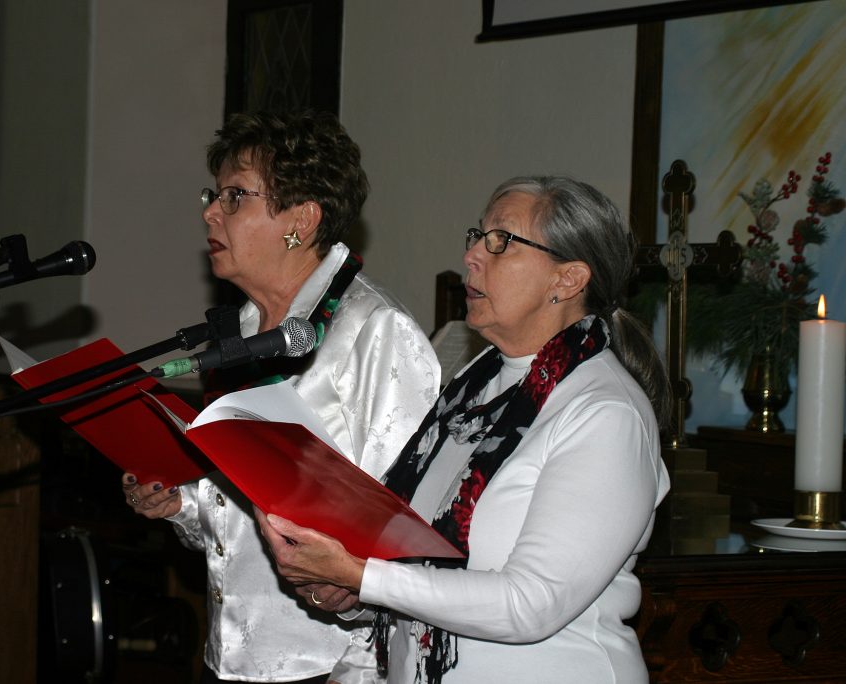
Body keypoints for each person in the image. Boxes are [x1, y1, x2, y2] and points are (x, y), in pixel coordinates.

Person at [256, 176, 672, 683]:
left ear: (567, 280)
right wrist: (350, 590)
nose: (473, 255)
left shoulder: (605, 413)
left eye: (501, 242)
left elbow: (531, 604)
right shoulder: (471, 392)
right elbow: (417, 569)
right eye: (477, 236)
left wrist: (364, 577)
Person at [121, 110, 441, 683]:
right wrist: (181, 504)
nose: (210, 213)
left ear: (303, 218)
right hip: (236, 657)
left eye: (234, 196)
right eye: (212, 195)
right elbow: (237, 508)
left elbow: (404, 528)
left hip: (338, 664)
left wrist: (354, 602)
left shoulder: (375, 332)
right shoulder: (239, 333)